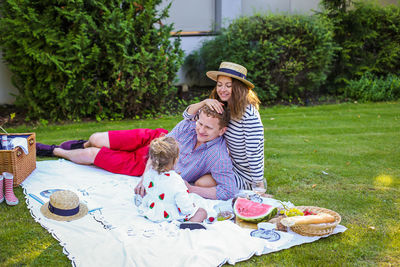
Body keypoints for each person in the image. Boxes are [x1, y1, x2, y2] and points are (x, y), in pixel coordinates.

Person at [36, 105, 237, 200]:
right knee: (96, 137)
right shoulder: (188, 126)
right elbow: (161, 145)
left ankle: (56, 151)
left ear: (222, 131)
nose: (200, 130)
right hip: (152, 141)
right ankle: (83, 143)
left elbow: (228, 190)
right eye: (200, 123)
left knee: (92, 156)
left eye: (208, 128)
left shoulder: (218, 156)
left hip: (146, 163)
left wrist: (191, 189)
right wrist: (146, 178)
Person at [184, 62, 266, 192]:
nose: (222, 89)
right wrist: (204, 102)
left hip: (246, 175)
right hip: (227, 165)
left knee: (200, 183)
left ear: (239, 88)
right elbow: (188, 116)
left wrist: (258, 184)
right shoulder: (222, 106)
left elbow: (254, 152)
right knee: (192, 176)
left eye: (228, 86)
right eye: (219, 85)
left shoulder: (249, 114)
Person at [136, 136, 207, 223]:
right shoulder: (176, 180)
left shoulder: (148, 174)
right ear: (175, 159)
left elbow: (150, 190)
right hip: (169, 214)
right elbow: (185, 207)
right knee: (202, 212)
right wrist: (191, 207)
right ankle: (191, 223)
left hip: (152, 210)